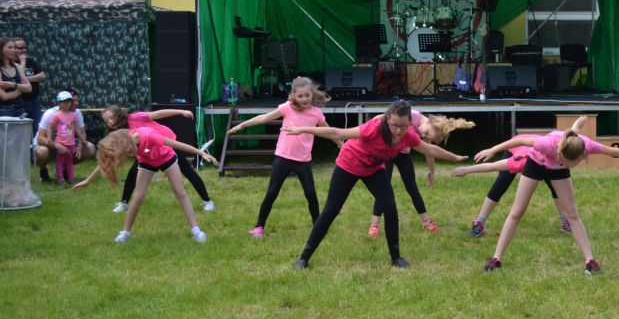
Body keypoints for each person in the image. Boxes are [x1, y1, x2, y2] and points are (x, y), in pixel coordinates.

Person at [474, 115, 619, 274]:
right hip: (536, 164)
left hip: (557, 171)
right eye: (567, 161)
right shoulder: (546, 144)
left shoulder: (586, 145)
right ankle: (496, 259)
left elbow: (614, 151)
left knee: (572, 214)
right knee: (517, 212)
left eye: (575, 162)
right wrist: (492, 150)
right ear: (560, 153)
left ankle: (590, 261)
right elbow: (519, 141)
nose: (572, 164)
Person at [288, 100, 467, 269]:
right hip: (349, 163)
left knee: (390, 207)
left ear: (409, 123)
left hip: (373, 169)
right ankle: (304, 258)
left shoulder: (409, 135)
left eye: (403, 126)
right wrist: (302, 129)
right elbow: (337, 133)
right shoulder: (374, 128)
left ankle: (396, 258)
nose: (399, 130)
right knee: (331, 210)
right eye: (395, 125)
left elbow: (430, 149)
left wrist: (455, 158)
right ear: (388, 119)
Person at [74, 128, 219, 243]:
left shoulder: (149, 136)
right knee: (138, 197)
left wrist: (201, 153)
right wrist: (88, 180)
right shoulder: (123, 141)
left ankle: (196, 231)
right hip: (147, 161)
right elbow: (106, 163)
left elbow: (177, 145)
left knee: (180, 192)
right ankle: (125, 233)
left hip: (166, 157)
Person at [226, 77, 330, 238]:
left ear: (312, 94)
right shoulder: (287, 108)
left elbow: (328, 131)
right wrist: (242, 124)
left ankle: (318, 227)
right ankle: (259, 227)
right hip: (283, 158)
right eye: (300, 96)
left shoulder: (316, 113)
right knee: (272, 192)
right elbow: (264, 118)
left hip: (303, 161)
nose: (304, 99)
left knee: (310, 193)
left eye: (307, 95)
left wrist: (340, 143)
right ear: (293, 95)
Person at [366, 112, 475, 237]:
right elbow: (380, 118)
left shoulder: (425, 130)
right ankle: (374, 225)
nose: (424, 135)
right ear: (430, 122)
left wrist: (432, 171)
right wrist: (367, 132)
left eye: (427, 136)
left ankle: (427, 222)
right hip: (387, 152)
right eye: (427, 133)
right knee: (384, 188)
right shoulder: (410, 115)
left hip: (403, 154)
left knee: (412, 188)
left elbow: (429, 152)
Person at [102, 105, 215, 213]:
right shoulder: (119, 133)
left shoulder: (135, 117)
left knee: (187, 171)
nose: (110, 122)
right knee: (133, 173)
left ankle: (207, 201)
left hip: (167, 144)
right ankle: (124, 203)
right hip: (148, 152)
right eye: (107, 121)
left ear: (118, 113)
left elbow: (159, 114)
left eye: (111, 117)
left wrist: (181, 112)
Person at [451, 136, 566, 238]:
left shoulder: (560, 159)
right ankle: (479, 223)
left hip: (541, 148)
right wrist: (466, 170)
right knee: (502, 182)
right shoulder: (524, 161)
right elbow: (492, 166)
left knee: (556, 187)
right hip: (516, 145)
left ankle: (566, 222)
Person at [33, 88, 96, 182]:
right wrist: (56, 146)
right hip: (48, 143)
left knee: (90, 147)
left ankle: (63, 169)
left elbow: (82, 132)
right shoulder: (51, 114)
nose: (76, 103)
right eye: (73, 101)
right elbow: (40, 137)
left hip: (67, 141)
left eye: (77, 100)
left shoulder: (76, 113)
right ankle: (43, 169)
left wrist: (79, 146)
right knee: (42, 152)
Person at [49, 90, 85, 184]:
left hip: (71, 143)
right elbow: (50, 127)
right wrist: (50, 140)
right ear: (59, 103)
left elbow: (76, 128)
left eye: (68, 101)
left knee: (69, 161)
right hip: (61, 142)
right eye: (64, 102)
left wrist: (82, 139)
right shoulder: (56, 115)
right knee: (60, 161)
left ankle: (71, 178)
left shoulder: (73, 115)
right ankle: (60, 179)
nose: (67, 104)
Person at [13, 37, 45, 135]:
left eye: (25, 48)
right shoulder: (11, 64)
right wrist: (22, 63)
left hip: (34, 101)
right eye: (20, 48)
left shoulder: (30, 61)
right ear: (13, 49)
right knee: (22, 130)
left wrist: (26, 79)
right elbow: (19, 79)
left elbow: (42, 76)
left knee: (38, 128)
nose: (24, 50)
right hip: (20, 102)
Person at [0, 36, 29, 118]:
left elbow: (29, 88)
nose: (13, 50)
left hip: (21, 110)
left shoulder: (16, 66)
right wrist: (21, 89)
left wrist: (13, 85)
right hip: (4, 111)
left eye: (14, 47)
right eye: (10, 47)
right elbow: (4, 96)